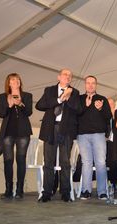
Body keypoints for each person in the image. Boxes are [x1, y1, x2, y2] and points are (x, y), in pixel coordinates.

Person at [35, 68, 82, 202]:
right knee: (48, 162)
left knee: (65, 162)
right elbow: (40, 105)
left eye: (70, 75)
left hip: (66, 130)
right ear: (59, 77)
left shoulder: (75, 92)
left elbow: (79, 109)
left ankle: (66, 192)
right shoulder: (49, 90)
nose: (68, 77)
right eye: (65, 74)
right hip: (50, 129)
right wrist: (60, 99)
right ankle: (47, 192)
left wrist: (68, 97)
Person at [0, 73, 33, 199]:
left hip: (23, 132)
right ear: (9, 83)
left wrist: (20, 103)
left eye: (18, 79)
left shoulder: (27, 96)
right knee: (8, 161)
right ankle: (8, 189)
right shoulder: (3, 96)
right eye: (13, 79)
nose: (16, 81)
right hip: (8, 132)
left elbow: (29, 112)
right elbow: (1, 114)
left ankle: (19, 190)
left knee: (21, 160)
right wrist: (9, 105)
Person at [77, 75, 111, 200]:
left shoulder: (102, 99)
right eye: (88, 83)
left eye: (93, 83)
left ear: (96, 85)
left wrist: (101, 108)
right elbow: (76, 114)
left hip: (98, 135)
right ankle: (86, 190)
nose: (90, 85)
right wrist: (85, 106)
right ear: (85, 85)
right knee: (86, 163)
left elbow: (108, 116)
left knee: (101, 163)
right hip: (82, 135)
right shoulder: (79, 98)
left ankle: (102, 191)